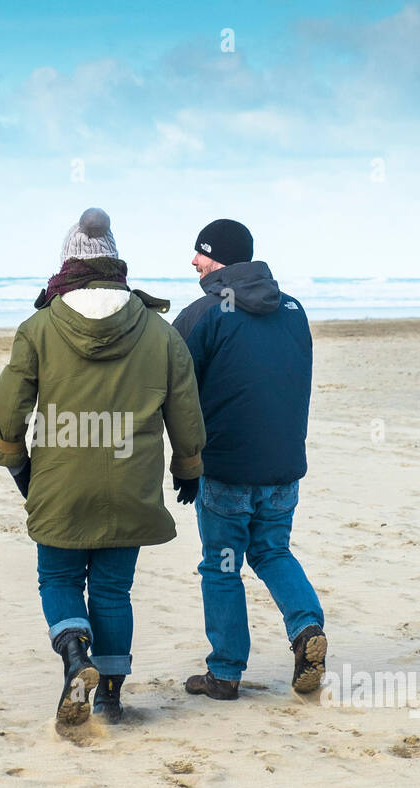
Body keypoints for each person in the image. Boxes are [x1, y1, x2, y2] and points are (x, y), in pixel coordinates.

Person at [0, 208, 206, 725]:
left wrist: (15, 459)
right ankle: (108, 694)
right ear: (115, 264)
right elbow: (186, 408)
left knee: (58, 578)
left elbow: (6, 410)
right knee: (112, 590)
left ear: (68, 263)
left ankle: (73, 656)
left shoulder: (39, 328)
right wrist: (189, 464)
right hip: (131, 484)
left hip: (60, 484)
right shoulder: (158, 332)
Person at [171, 219, 326, 700]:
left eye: (199, 253)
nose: (192, 261)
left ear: (217, 258)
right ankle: (306, 630)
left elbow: (175, 393)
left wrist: (186, 462)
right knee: (272, 551)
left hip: (226, 472)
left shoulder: (204, 313)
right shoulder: (293, 310)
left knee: (221, 566)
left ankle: (225, 672)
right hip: (282, 468)